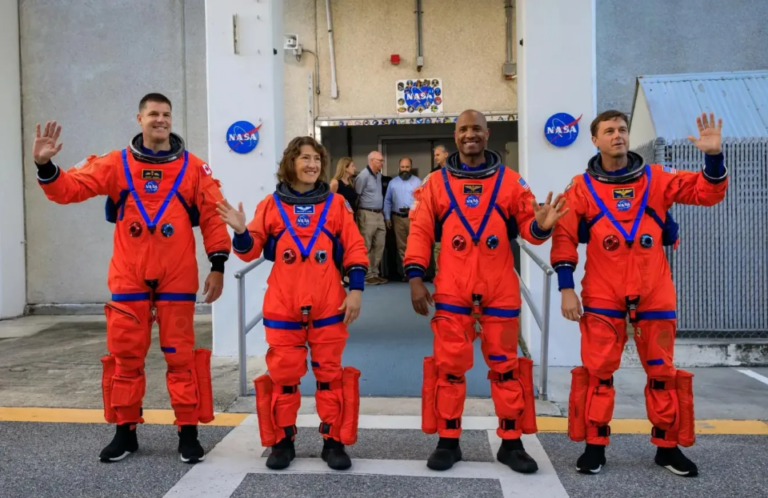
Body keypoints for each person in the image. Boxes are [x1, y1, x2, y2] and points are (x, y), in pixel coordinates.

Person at [33, 93, 231, 464]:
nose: (161, 120)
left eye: (166, 114)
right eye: (153, 114)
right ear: (138, 119)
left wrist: (217, 265)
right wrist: (46, 166)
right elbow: (70, 188)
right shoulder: (115, 163)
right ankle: (125, 434)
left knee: (181, 357)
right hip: (129, 277)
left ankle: (188, 432)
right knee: (125, 357)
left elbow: (213, 217)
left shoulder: (193, 169)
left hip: (177, 277)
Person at [551, 111, 728, 477]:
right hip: (603, 292)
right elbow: (564, 237)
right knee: (598, 373)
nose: (618, 135)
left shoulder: (658, 179)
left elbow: (707, 193)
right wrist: (566, 288)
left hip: (654, 291)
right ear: (595, 140)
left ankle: (667, 447)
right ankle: (595, 446)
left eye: (622, 129)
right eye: (609, 131)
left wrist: (713, 157)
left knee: (662, 372)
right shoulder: (580, 189)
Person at [404, 109, 568, 474]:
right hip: (452, 290)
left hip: (499, 291)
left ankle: (511, 444)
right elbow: (419, 232)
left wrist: (542, 227)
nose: (469, 135)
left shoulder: (511, 182)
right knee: (449, 370)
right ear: (455, 135)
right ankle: (448, 442)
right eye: (463, 129)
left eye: (476, 128)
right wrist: (416, 278)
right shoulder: (434, 184)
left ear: (487, 134)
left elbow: (530, 227)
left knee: (506, 369)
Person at [216, 136, 368, 471]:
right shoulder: (270, 205)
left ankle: (334, 441)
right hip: (284, 306)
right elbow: (250, 249)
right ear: (290, 163)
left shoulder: (336, 205)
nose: (312, 164)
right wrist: (241, 231)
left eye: (316, 158)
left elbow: (355, 249)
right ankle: (282, 442)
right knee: (284, 378)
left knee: (329, 377)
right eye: (304, 158)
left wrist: (355, 290)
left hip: (329, 305)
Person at [384, 157, 422, 280]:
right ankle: (406, 272)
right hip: (397, 218)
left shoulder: (418, 182)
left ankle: (415, 272)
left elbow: (422, 201)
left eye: (407, 167)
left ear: (411, 168)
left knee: (414, 245)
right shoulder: (392, 183)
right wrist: (387, 217)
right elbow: (388, 201)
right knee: (402, 246)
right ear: (399, 167)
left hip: (413, 218)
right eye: (402, 167)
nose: (405, 170)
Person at [354, 151, 387, 285]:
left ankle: (374, 273)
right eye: (380, 160)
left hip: (379, 214)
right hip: (367, 213)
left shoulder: (378, 175)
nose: (382, 163)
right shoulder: (363, 176)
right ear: (372, 161)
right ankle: (367, 275)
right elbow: (356, 196)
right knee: (366, 245)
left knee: (379, 244)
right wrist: (359, 215)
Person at [431, 145, 450, 272]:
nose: (435, 158)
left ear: (446, 154)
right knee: (438, 246)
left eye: (438, 155)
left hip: (455, 214)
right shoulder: (433, 174)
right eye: (434, 155)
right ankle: (439, 273)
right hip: (439, 215)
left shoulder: (458, 169)